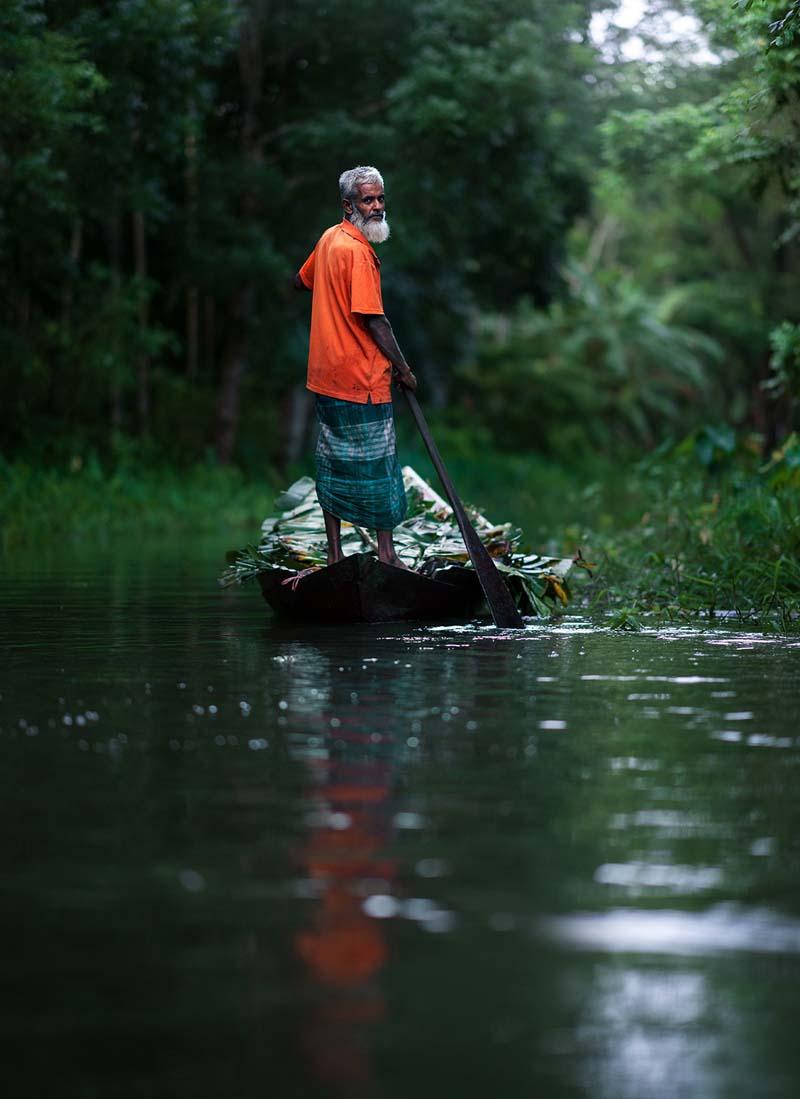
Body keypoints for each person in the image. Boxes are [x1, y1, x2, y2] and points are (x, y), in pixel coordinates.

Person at [294, 165, 417, 568]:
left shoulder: (329, 239)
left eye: (380, 198)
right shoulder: (359, 253)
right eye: (368, 200)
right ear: (348, 205)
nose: (377, 206)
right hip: (361, 380)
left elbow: (301, 281)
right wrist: (403, 368)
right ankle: (387, 554)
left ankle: (334, 555)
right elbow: (374, 320)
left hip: (326, 378)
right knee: (380, 469)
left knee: (332, 464)